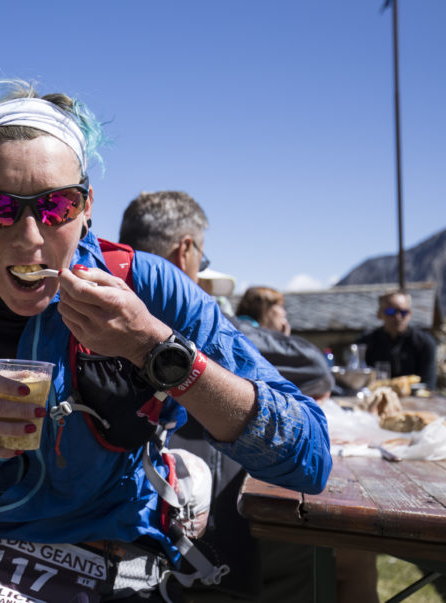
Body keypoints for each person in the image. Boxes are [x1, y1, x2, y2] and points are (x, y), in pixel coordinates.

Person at [0, 84, 331, 602]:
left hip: (121, 568)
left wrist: (153, 347)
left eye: (57, 205)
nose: (30, 238)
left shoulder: (146, 288)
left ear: (86, 207)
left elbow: (308, 458)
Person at [119, 191, 342, 602]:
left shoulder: (75, 296)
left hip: (95, 552)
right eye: (201, 262)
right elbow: (313, 372)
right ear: (186, 250)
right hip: (200, 554)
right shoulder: (188, 309)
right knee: (318, 556)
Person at [359, 290, 438, 391]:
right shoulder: (366, 342)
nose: (397, 317)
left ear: (410, 314)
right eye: (390, 312)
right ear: (379, 314)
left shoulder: (424, 343)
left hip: (415, 402)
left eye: (403, 312)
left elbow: (428, 385)